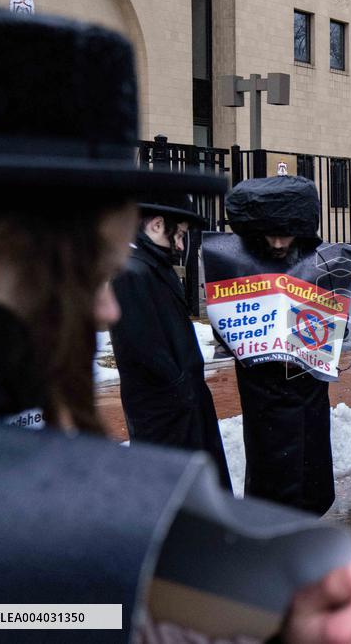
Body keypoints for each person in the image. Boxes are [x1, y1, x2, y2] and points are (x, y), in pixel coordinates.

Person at [0, 5, 351, 643]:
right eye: (85, 274)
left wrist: (278, 629)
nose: (107, 310)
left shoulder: (32, 471)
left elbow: (61, 615)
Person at [222, 175, 348, 515]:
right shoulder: (240, 267)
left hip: (307, 393)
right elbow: (227, 326)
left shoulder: (321, 265)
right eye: (270, 235)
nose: (278, 243)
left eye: (286, 234)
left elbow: (338, 325)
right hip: (264, 398)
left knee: (310, 478)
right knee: (272, 486)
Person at [110, 193, 232, 489]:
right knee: (175, 490)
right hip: (166, 409)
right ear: (156, 225)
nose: (180, 246)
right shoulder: (132, 272)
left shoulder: (150, 266)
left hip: (181, 402)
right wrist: (179, 387)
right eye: (178, 235)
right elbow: (143, 345)